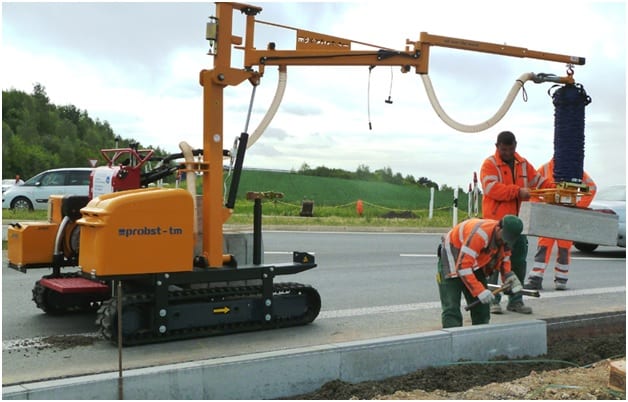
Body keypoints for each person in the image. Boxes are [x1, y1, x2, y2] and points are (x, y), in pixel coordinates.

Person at [480, 131, 553, 315]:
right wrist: (518, 192)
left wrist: (554, 189)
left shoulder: (523, 164)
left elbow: (539, 182)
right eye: (504, 149)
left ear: (515, 146)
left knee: (518, 262)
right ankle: (492, 301)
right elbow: (492, 189)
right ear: (497, 147)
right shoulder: (490, 165)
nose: (507, 152)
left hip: (518, 224)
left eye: (510, 149)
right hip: (496, 225)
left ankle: (515, 300)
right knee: (494, 263)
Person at [436, 215, 524, 328]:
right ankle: (453, 338)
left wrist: (508, 276)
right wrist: (480, 291)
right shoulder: (480, 235)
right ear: (499, 227)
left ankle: (480, 337)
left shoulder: (506, 239)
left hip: (473, 262)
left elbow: (504, 257)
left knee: (482, 309)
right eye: (503, 237)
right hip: (452, 257)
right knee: (451, 307)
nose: (504, 241)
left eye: (507, 240)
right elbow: (463, 266)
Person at [524, 159, 597, 290]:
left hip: (564, 216)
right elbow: (531, 189)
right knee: (544, 246)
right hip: (552, 215)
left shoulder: (573, 169)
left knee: (563, 248)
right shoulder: (548, 169)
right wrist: (541, 206)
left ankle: (560, 278)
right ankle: (537, 278)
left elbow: (592, 188)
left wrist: (577, 207)